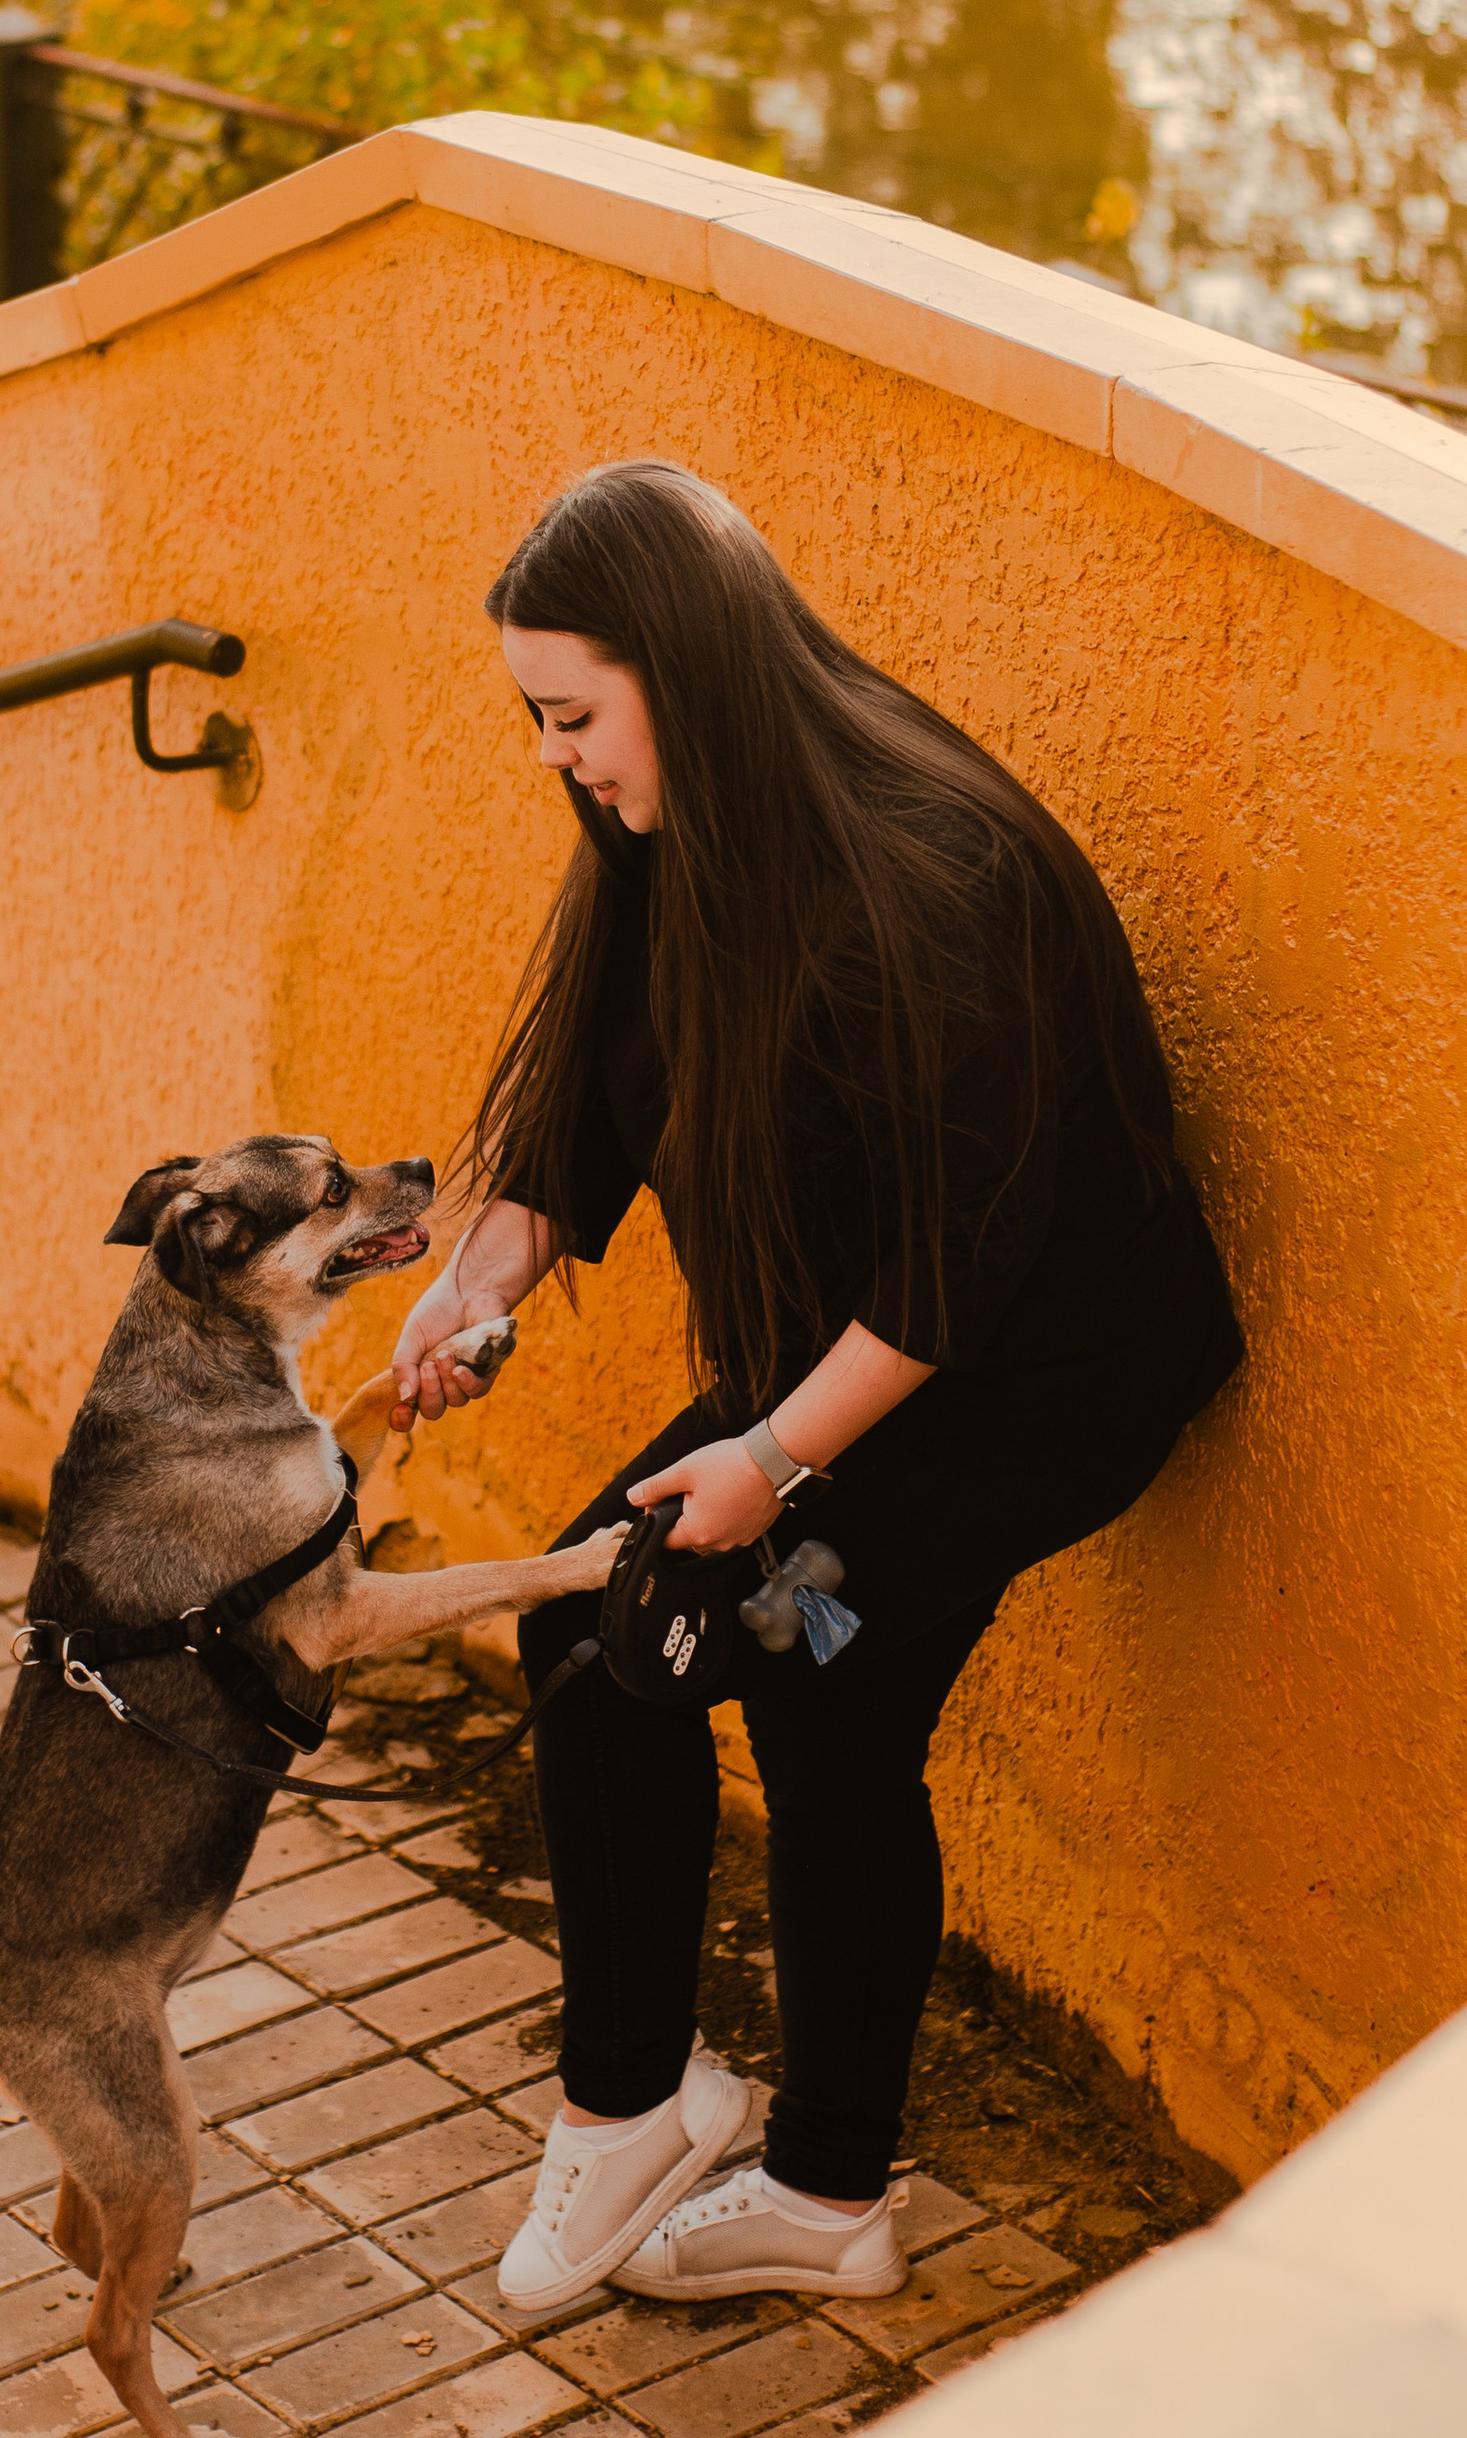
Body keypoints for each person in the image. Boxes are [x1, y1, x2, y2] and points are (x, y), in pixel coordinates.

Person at [389, 460, 1242, 2319]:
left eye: (572, 714)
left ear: (681, 668)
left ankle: (657, 2115)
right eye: (538, 716)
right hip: (861, 1357)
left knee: (650, 1636)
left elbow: (953, 1280)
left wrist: (769, 1461)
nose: (552, 754)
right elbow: (587, 1103)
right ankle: (803, 2181)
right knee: (777, 1691)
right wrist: (480, 1285)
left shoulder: (934, 880)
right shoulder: (673, 828)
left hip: (1032, 1383)